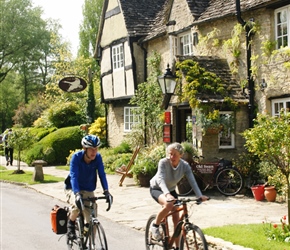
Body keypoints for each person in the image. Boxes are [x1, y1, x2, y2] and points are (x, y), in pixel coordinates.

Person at [149, 142, 209, 248]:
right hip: (157, 188)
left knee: (177, 220)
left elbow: (192, 181)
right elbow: (161, 180)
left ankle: (177, 247)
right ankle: (155, 226)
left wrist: (199, 195)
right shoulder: (163, 162)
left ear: (181, 155)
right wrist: (167, 194)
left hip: (171, 190)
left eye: (175, 154)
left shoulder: (185, 166)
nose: (172, 157)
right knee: (168, 205)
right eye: (170, 154)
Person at [65, 134, 113, 240]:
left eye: (96, 149)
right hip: (73, 188)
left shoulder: (98, 158)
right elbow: (74, 176)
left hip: (88, 189)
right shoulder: (76, 158)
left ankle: (89, 240)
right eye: (91, 149)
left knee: (92, 219)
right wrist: (76, 194)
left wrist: (106, 191)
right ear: (85, 149)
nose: (94, 152)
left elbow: (102, 174)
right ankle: (71, 224)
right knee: (77, 206)